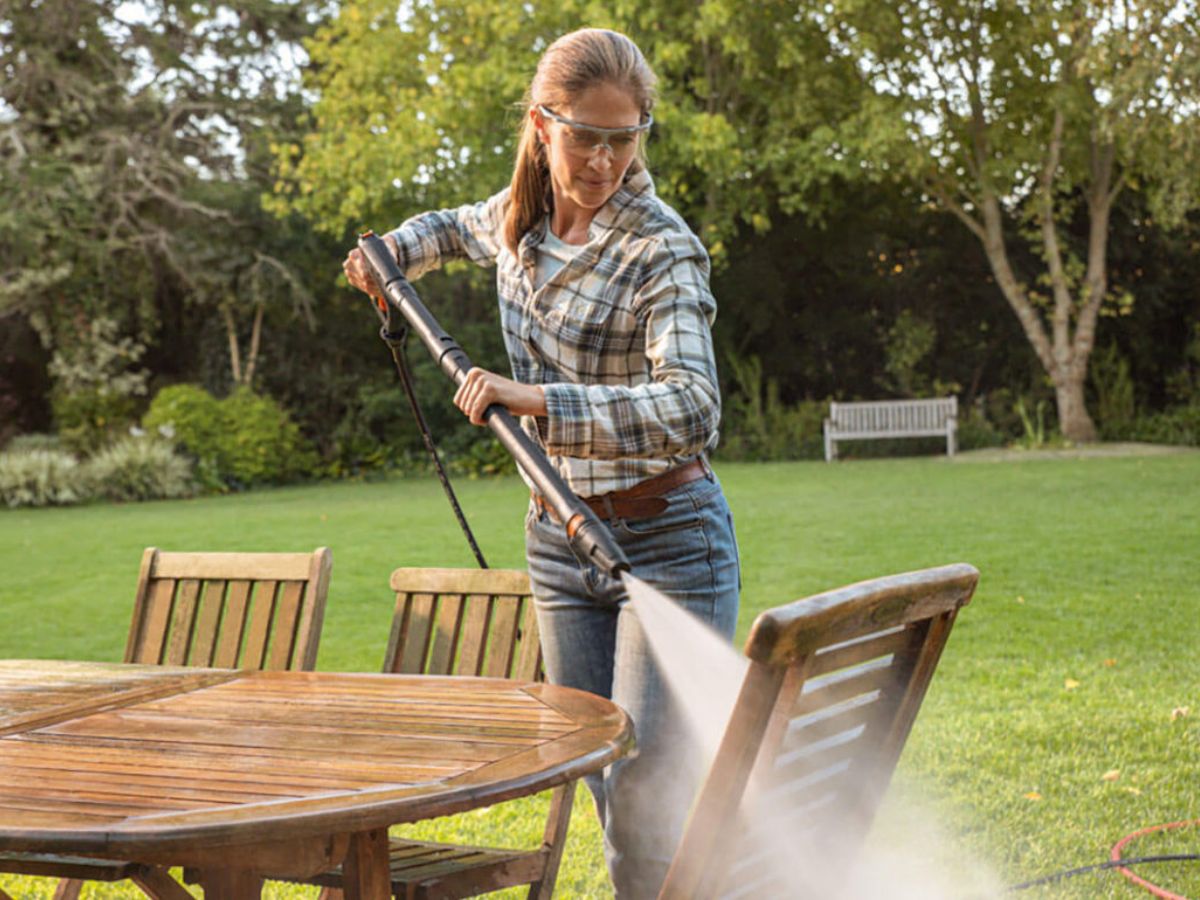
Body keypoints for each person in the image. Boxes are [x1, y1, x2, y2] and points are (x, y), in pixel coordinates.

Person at [342, 27, 739, 897]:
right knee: (598, 778)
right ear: (540, 125)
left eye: (623, 138)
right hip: (561, 544)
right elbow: (454, 228)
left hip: (667, 542)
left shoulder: (659, 247)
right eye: (585, 136)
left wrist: (539, 401)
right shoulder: (518, 217)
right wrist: (393, 254)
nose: (603, 161)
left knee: (644, 798)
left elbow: (692, 406)